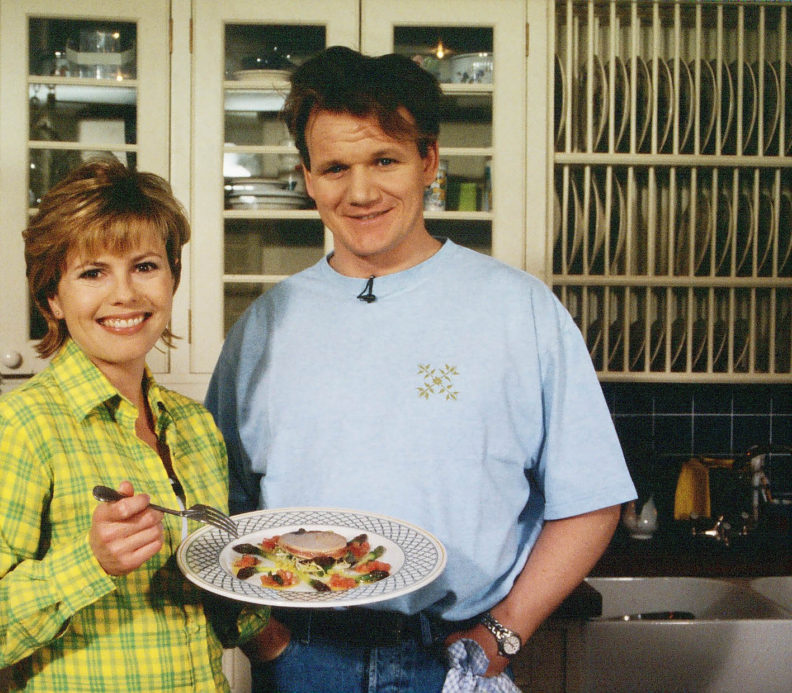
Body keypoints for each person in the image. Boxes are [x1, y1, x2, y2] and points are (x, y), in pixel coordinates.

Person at [205, 46, 637, 692]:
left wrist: (506, 629)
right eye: (335, 168)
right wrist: (269, 643)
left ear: (428, 160)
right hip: (302, 660)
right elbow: (215, 510)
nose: (360, 192)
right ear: (306, 177)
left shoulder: (520, 310)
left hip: (453, 657)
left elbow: (592, 499)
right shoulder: (263, 326)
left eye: (384, 160)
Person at [0, 158, 266, 692]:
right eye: (92, 272)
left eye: (145, 266)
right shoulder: (12, 430)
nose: (124, 294)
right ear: (52, 295)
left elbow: (207, 605)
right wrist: (90, 563)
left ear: (172, 277)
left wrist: (265, 610)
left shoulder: (194, 427)